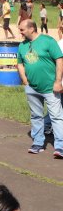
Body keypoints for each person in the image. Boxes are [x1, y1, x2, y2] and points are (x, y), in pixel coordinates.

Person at [16, 20, 63, 157]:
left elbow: (60, 60)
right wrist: (25, 81)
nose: (20, 32)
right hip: (32, 88)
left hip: (50, 87)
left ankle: (60, 146)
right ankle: (38, 143)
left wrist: (58, 81)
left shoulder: (48, 41)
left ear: (31, 29)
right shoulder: (22, 45)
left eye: (22, 29)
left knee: (56, 116)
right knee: (36, 116)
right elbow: (20, 64)